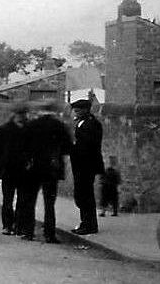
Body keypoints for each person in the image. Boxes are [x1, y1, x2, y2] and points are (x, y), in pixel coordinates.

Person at [15, 103, 71, 243]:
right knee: (49, 203)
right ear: (52, 111)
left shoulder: (31, 125)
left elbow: (21, 147)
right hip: (51, 169)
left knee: (30, 201)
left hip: (33, 168)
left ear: (39, 111)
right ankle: (49, 234)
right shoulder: (59, 126)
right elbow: (67, 147)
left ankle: (29, 232)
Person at [69, 98, 104, 235]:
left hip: (86, 165)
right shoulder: (81, 123)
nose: (75, 113)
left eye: (78, 110)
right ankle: (85, 222)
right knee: (82, 195)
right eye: (75, 110)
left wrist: (73, 144)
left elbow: (88, 145)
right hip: (80, 165)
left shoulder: (91, 124)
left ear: (86, 110)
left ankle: (89, 224)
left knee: (85, 195)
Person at [0, 105, 31, 236]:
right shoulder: (4, 129)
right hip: (9, 170)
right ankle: (7, 225)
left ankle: (19, 225)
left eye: (23, 114)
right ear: (14, 115)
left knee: (22, 199)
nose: (22, 116)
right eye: (19, 114)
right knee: (7, 199)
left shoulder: (30, 129)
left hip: (24, 170)